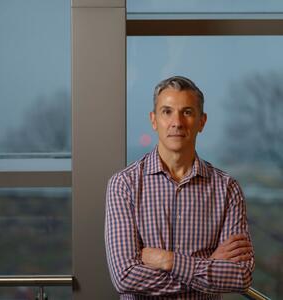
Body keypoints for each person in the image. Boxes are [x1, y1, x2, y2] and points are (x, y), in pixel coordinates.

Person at [105, 76, 254, 299]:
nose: (177, 122)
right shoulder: (124, 185)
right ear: (153, 120)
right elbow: (125, 277)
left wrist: (168, 260)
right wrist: (208, 266)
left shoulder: (227, 189)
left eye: (187, 112)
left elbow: (240, 276)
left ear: (202, 121)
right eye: (167, 112)